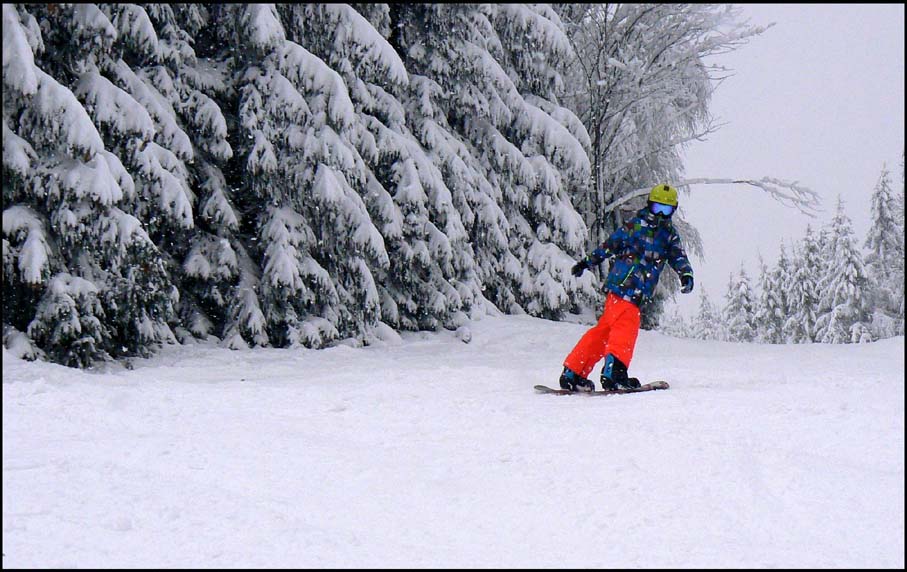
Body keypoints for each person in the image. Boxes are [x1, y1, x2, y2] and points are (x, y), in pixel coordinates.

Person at [560, 184, 694, 391]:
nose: (660, 214)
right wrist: (587, 262)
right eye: (657, 208)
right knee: (625, 328)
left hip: (619, 293)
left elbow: (678, 256)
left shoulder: (668, 234)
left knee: (604, 332)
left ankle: (574, 372)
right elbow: (610, 246)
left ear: (672, 211)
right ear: (649, 205)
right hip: (628, 288)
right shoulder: (636, 226)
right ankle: (615, 373)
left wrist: (686, 274)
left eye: (666, 210)